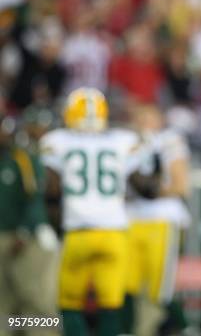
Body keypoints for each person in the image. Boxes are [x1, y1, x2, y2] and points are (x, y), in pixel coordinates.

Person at [39, 88, 145, 336]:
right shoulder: (123, 140)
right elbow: (141, 184)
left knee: (69, 302)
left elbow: (51, 192)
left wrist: (53, 228)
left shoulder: (57, 141)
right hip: (114, 233)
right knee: (111, 303)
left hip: (77, 232)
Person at [123, 104, 191, 336]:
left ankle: (181, 328)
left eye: (148, 115)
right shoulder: (127, 142)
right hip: (130, 219)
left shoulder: (169, 140)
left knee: (159, 285)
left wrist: (150, 190)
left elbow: (181, 186)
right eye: (139, 116)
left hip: (162, 219)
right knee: (128, 283)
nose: (143, 121)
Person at [0, 113, 58, 336]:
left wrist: (25, 231)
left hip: (27, 238)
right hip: (3, 235)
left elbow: (35, 197)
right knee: (6, 304)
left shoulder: (22, 158)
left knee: (37, 302)